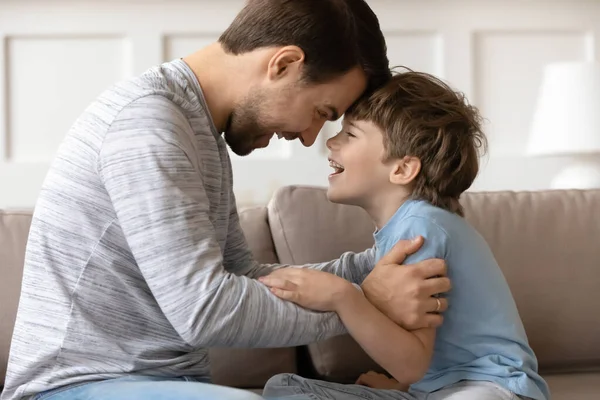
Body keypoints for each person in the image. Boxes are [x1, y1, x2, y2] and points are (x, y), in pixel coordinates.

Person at [0, 2, 452, 400]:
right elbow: (205, 311)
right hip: (74, 386)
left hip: (163, 385)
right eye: (321, 112)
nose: (312, 136)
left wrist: (371, 269)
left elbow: (240, 278)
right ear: (284, 64)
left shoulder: (198, 130)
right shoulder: (148, 124)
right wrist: (360, 302)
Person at [260, 70, 551, 400]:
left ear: (402, 169)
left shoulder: (421, 228)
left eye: (350, 134)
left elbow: (411, 362)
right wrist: (402, 388)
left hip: (493, 387)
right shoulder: (402, 229)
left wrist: (344, 297)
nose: (331, 141)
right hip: (438, 390)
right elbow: (417, 366)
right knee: (284, 388)